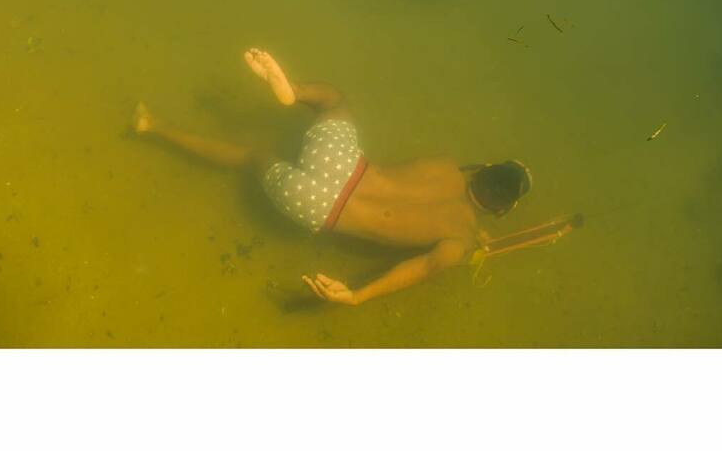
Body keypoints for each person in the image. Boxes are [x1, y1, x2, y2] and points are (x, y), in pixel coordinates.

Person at [132, 49, 532, 306]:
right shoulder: (458, 242)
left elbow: (440, 191)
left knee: (335, 102)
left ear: (482, 169)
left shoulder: (445, 167)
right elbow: (421, 268)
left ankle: (295, 91)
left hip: (343, 164)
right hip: (322, 209)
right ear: (501, 210)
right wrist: (357, 295)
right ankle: (152, 128)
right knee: (253, 159)